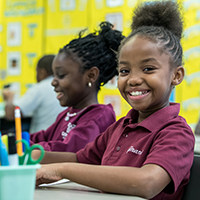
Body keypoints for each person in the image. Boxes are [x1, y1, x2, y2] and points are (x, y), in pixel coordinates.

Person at [34, 1, 195, 199]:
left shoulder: (176, 133)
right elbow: (80, 158)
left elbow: (146, 182)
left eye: (148, 69)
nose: (133, 79)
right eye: (124, 71)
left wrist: (61, 170)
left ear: (176, 76)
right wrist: (38, 156)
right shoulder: (121, 127)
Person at [30, 22, 125, 152]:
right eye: (54, 76)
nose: (53, 82)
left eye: (61, 75)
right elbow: (42, 138)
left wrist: (26, 148)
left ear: (91, 75)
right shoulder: (67, 114)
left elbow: (68, 152)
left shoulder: (100, 116)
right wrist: (14, 141)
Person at [2, 55, 66, 133]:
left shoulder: (39, 88)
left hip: (41, 139)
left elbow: (11, 114)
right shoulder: (66, 86)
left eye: (37, 71)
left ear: (42, 72)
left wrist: (9, 99)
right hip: (60, 136)